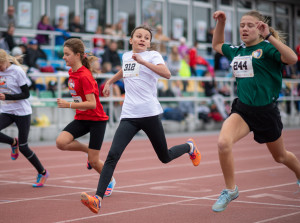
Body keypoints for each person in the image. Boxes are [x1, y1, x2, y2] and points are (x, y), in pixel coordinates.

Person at [79, 25, 201, 214]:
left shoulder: (153, 56)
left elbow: (167, 74)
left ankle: (189, 147)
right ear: (131, 40)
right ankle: (98, 198)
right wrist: (110, 81)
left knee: (165, 157)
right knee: (112, 155)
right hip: (129, 115)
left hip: (149, 113)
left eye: (146, 37)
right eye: (138, 36)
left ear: (150, 43)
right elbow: (125, 70)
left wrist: (143, 62)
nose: (142, 39)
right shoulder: (127, 56)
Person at [211, 10, 300, 212]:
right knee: (223, 143)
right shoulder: (237, 51)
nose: (244, 28)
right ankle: (230, 189)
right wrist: (222, 22)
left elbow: (292, 58)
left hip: (266, 112)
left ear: (260, 28)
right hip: (243, 110)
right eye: (242, 25)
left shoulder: (267, 49)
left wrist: (268, 36)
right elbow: (217, 45)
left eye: (250, 25)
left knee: (280, 157)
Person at [55, 38, 116, 197]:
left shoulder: (85, 76)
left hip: (97, 120)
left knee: (95, 161)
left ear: (77, 55)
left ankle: (109, 180)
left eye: (67, 54)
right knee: (61, 142)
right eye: (64, 54)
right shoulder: (71, 72)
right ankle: (88, 152)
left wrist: (68, 105)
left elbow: (92, 104)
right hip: (82, 118)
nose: (64, 57)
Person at [0, 49, 49, 187]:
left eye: (0, 66)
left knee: (23, 147)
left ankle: (42, 172)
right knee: (17, 144)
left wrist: (7, 97)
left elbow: (26, 94)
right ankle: (12, 142)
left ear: (5, 61)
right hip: (7, 110)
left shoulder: (17, 71)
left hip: (22, 112)